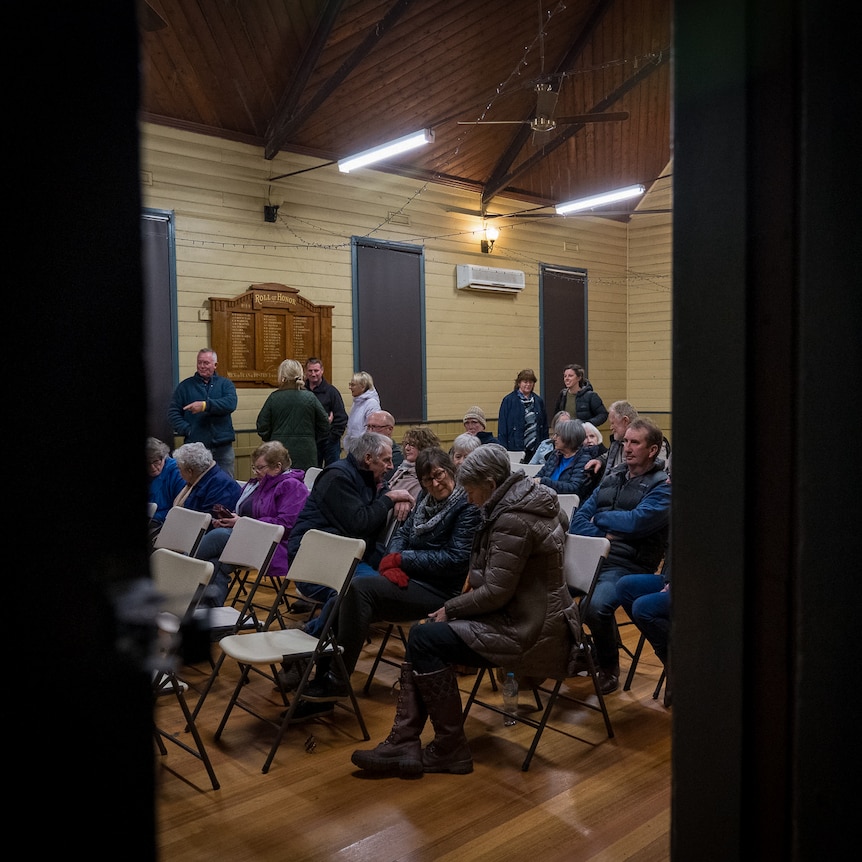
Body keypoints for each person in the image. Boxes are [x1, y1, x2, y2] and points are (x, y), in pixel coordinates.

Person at [350, 443, 574, 776]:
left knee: (425, 638)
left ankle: (447, 747)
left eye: (470, 491)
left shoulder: (513, 519)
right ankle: (407, 741)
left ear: (491, 484)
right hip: (521, 616)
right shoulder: (522, 504)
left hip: (529, 630)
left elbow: (496, 590)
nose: (468, 498)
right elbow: (498, 578)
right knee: (423, 635)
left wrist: (451, 608)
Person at [292, 447, 482, 714]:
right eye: (427, 480)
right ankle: (323, 675)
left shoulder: (466, 507)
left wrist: (402, 560)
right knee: (348, 589)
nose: (435, 484)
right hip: (410, 579)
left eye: (439, 475)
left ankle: (334, 680)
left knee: (358, 588)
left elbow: (455, 559)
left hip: (440, 590)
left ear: (450, 470)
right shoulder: (426, 499)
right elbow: (402, 534)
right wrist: (393, 555)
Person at [568, 418, 670, 695]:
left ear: (653, 449)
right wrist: (606, 532)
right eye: (625, 441)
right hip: (590, 557)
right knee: (546, 592)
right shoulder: (612, 476)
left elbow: (637, 523)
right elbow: (577, 520)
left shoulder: (662, 486)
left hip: (629, 564)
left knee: (593, 606)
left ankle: (608, 665)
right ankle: (576, 650)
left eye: (634, 442)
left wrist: (599, 518)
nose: (627, 448)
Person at [286, 432, 415, 635]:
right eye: (386, 460)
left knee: (398, 585)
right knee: (363, 591)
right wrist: (390, 498)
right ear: (367, 459)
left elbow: (377, 503)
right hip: (314, 560)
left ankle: (317, 635)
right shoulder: (337, 477)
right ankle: (311, 638)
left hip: (347, 557)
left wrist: (396, 497)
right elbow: (361, 523)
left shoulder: (367, 476)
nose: (391, 466)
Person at [193, 441, 309, 606]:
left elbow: (286, 525)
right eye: (254, 467)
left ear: (277, 466)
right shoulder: (256, 484)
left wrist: (243, 523)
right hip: (247, 538)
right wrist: (230, 519)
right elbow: (242, 513)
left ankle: (181, 564)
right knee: (215, 563)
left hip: (272, 545)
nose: (255, 472)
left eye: (260, 468)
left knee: (220, 536)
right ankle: (209, 614)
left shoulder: (292, 486)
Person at [616, 456, 673, 707]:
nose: (668, 480)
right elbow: (674, 549)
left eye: (674, 476)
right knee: (626, 587)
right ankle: (675, 663)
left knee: (644, 608)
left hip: (705, 587)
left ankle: (681, 664)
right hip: (674, 577)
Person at [167, 347, 238, 478]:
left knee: (226, 483)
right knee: (197, 484)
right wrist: (188, 430)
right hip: (195, 448)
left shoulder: (225, 384)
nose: (202, 366)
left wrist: (205, 406)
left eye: (206, 363)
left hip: (223, 448)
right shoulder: (185, 386)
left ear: (215, 365)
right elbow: (173, 413)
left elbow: (230, 403)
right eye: (200, 362)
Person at [256, 359, 331, 471]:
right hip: (306, 451)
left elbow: (262, 426)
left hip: (279, 450)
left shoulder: (274, 398)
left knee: (280, 484)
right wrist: (311, 437)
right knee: (304, 484)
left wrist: (272, 438)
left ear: (281, 374)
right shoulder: (310, 397)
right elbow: (325, 424)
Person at [532, 419, 599, 499]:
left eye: (558, 435)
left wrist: (544, 482)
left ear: (569, 438)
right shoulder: (555, 454)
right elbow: (538, 476)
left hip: (565, 504)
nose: (554, 438)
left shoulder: (584, 459)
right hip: (545, 500)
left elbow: (574, 488)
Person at [172, 441, 242, 517]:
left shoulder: (220, 486)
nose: (179, 472)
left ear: (190, 472)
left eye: (179, 469)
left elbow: (205, 520)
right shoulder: (202, 478)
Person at [497, 369, 549, 463]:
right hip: (515, 448)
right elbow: (502, 427)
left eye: (531, 382)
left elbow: (544, 427)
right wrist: (503, 450)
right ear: (519, 383)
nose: (528, 384)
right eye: (525, 382)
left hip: (535, 449)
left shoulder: (538, 401)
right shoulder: (508, 401)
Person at [304, 357, 348, 467]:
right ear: (305, 372)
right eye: (310, 371)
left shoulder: (331, 392)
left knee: (332, 473)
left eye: (316, 371)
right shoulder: (301, 391)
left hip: (329, 442)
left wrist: (333, 437)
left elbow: (341, 417)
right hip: (309, 442)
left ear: (322, 371)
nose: (313, 374)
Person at [583, 400, 639, 481]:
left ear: (625, 421)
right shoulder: (616, 442)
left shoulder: (647, 444)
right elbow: (608, 455)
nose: (611, 428)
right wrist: (599, 461)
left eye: (613, 423)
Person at [385, 425, 442, 500]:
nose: (407, 448)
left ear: (424, 446)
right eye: (406, 444)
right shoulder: (401, 470)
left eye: (412, 445)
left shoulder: (425, 475)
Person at [146, 436, 185, 535]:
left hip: (165, 523)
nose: (152, 467)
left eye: (156, 462)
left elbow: (180, 509)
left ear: (164, 457)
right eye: (147, 463)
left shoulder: (178, 473)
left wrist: (156, 517)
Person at [553, 364, 608, 429]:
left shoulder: (590, 396)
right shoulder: (562, 395)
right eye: (565, 376)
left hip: (583, 434)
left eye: (570, 376)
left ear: (579, 378)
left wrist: (587, 424)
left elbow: (603, 414)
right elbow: (557, 415)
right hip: (566, 434)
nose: (566, 378)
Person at [342, 371, 381, 452]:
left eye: (353, 385)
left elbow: (372, 431)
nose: (350, 387)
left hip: (364, 450)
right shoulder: (356, 403)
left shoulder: (372, 404)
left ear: (362, 386)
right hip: (354, 449)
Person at [364, 410, 404, 477]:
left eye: (375, 427)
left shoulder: (397, 456)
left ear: (389, 429)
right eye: (368, 427)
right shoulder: (362, 451)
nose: (370, 431)